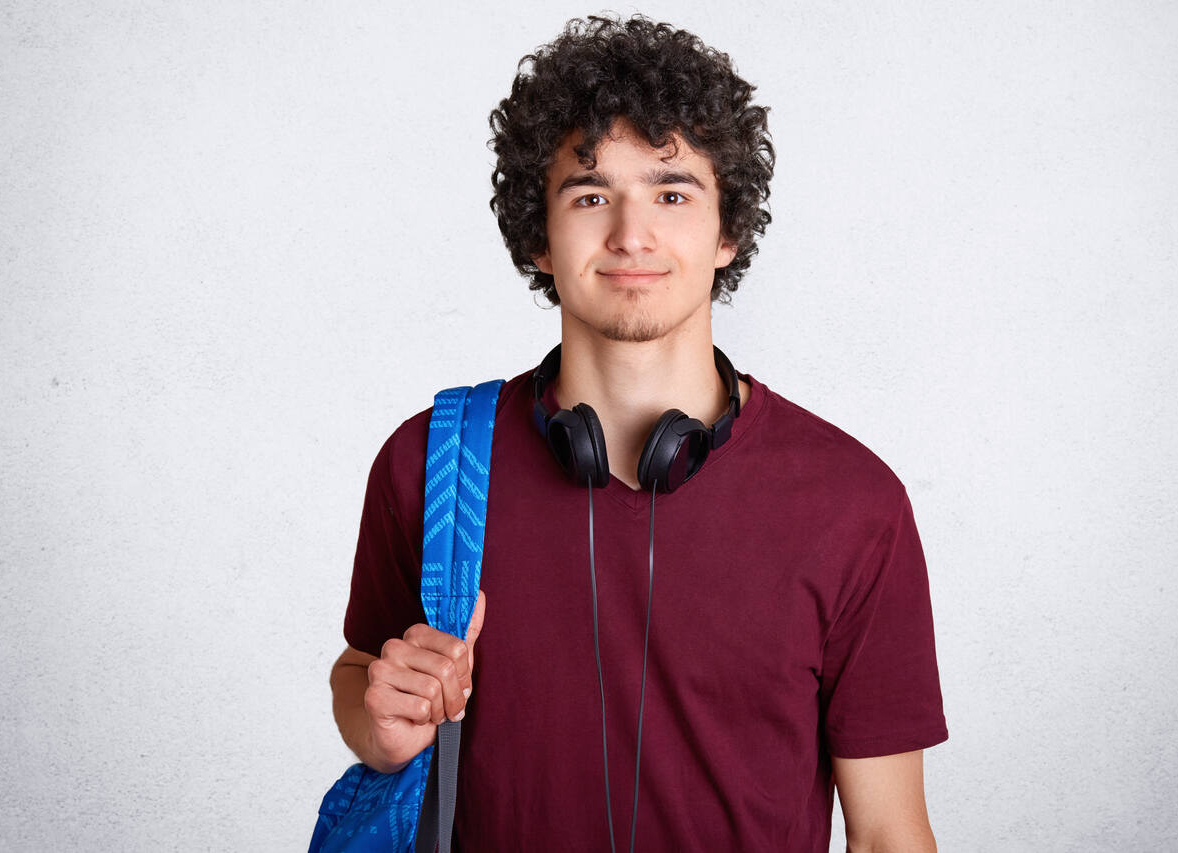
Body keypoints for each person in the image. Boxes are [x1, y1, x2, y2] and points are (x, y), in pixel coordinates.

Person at [329, 15, 947, 852]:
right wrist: (383, 728)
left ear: (727, 232)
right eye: (590, 195)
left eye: (672, 192)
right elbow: (361, 674)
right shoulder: (432, 465)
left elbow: (887, 835)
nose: (631, 235)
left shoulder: (855, 505)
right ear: (538, 237)